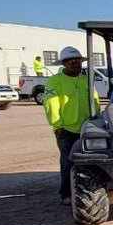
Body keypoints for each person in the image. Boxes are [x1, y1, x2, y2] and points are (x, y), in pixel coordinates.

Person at [43, 46, 92, 206]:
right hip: (67, 130)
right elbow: (51, 105)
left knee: (90, 161)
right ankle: (66, 193)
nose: (75, 64)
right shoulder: (55, 81)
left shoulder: (86, 79)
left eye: (78, 61)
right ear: (64, 63)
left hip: (88, 128)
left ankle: (87, 191)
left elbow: (95, 100)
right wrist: (58, 126)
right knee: (68, 162)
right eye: (72, 61)